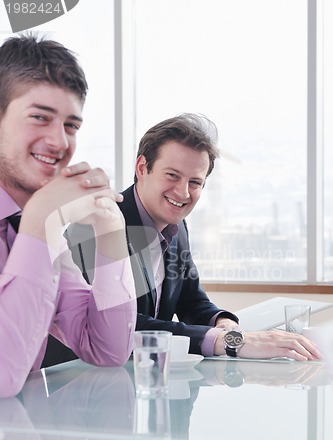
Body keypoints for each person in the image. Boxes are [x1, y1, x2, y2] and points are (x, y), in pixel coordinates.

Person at [69, 113, 321, 362]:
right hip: (80, 380)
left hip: (147, 378)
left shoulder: (177, 227)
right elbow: (121, 325)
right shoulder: (96, 225)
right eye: (172, 175)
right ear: (142, 168)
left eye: (195, 182)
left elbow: (190, 299)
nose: (182, 192)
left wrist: (224, 323)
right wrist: (231, 343)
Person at [0, 33, 136, 398]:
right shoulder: (39, 224)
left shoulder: (33, 229)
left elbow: (107, 349)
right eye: (39, 117)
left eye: (71, 125)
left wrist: (110, 228)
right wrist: (43, 217)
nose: (60, 142)